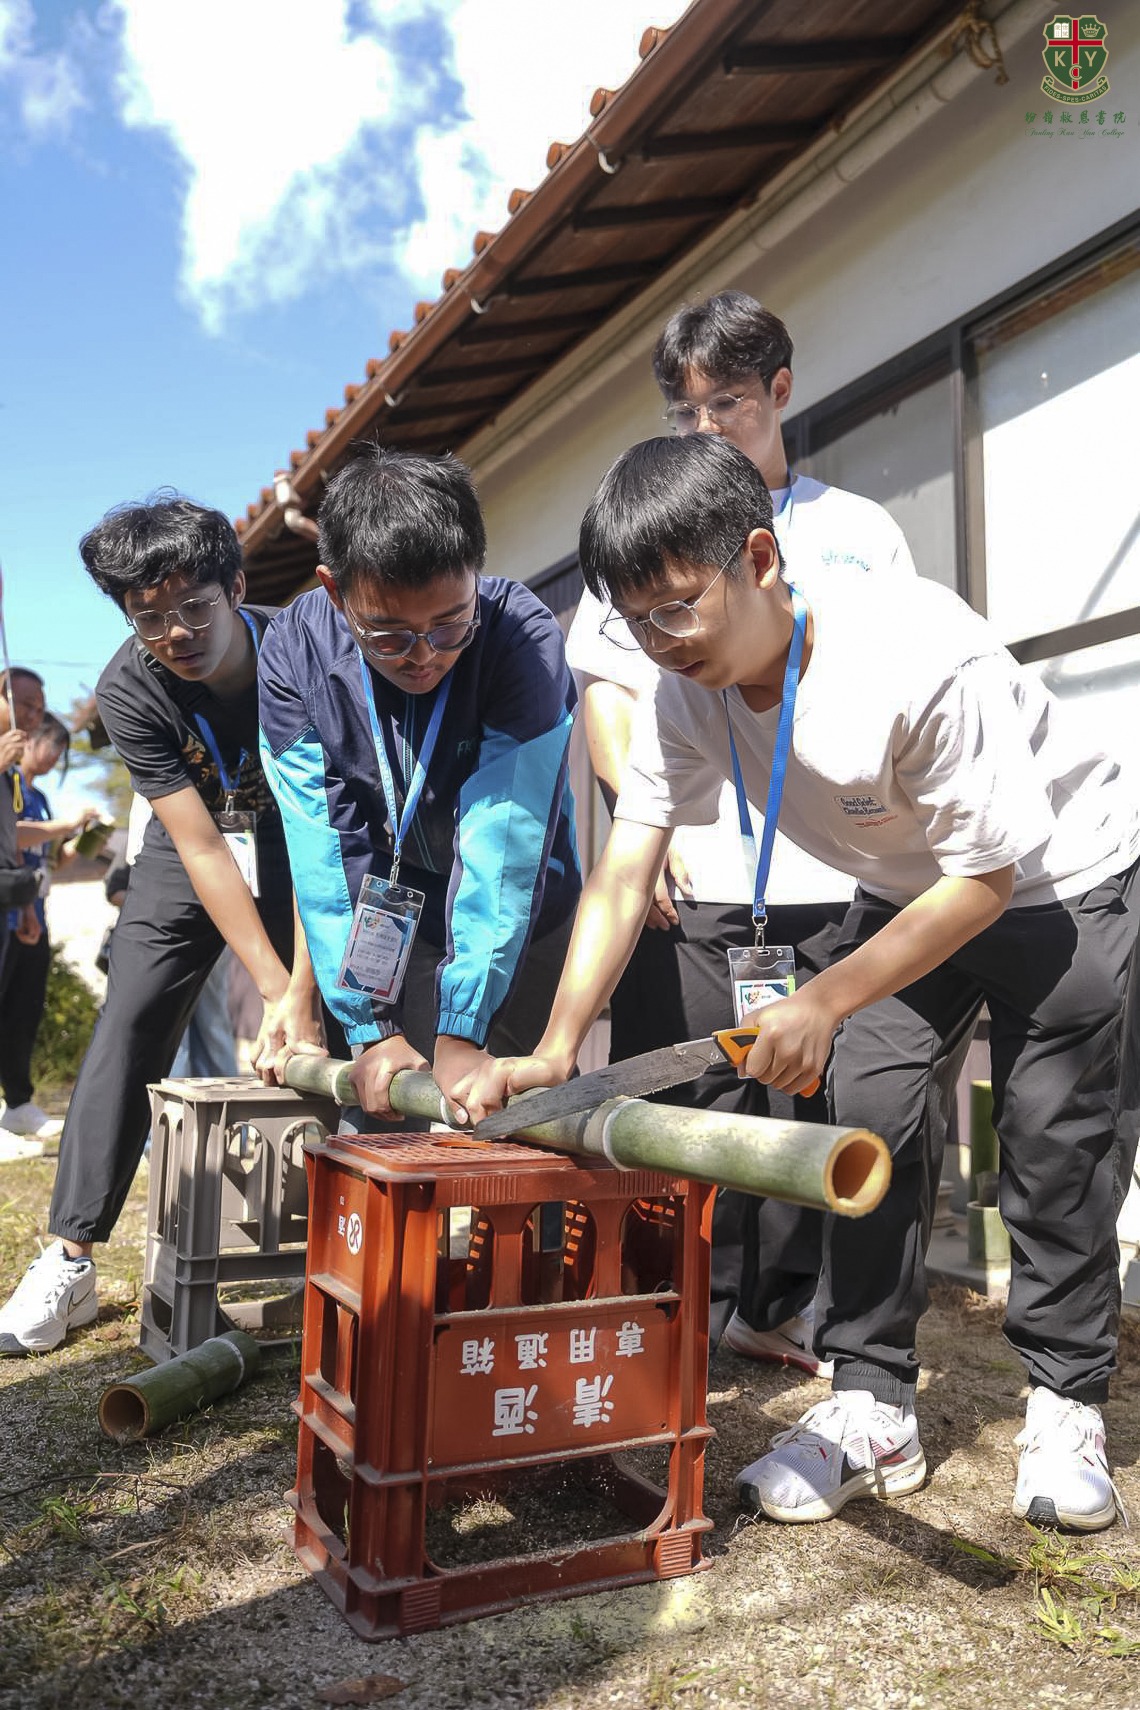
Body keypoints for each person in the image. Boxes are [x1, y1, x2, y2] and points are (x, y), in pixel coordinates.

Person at [471, 433, 1140, 1534]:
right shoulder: (681, 690)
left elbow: (985, 881)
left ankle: (1065, 1399)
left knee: (1052, 1136)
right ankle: (873, 1401)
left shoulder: (917, 656)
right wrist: (556, 1047)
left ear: (760, 558)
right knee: (867, 1113)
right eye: (636, 623)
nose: (661, 643)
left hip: (1057, 878)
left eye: (677, 608)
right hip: (908, 884)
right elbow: (626, 869)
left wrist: (824, 998)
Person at [564, 289, 916, 1364]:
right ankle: (670, 1306)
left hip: (839, 880)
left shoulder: (857, 531)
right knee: (688, 1094)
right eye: (686, 410)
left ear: (780, 391)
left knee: (805, 1099)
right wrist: (649, 821)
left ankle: (776, 1310)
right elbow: (608, 694)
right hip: (700, 876)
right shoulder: (644, 529)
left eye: (727, 403)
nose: (707, 426)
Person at [0, 495, 326, 1357]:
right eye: (148, 617)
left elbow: (323, 831)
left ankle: (354, 1232)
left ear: (237, 587)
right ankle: (69, 1257)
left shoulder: (301, 650)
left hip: (301, 835)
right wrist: (271, 986)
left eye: (195, 607)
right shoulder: (128, 687)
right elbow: (200, 846)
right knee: (132, 1015)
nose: (176, 633)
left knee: (340, 1004)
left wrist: (301, 988)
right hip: (196, 844)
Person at [257, 446, 581, 1121]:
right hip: (385, 907)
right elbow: (324, 846)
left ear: (476, 572)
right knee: (385, 1110)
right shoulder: (294, 651)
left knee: (520, 1120)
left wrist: (462, 1028)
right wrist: (371, 1029)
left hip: (521, 912)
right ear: (335, 591)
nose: (425, 656)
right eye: (389, 635)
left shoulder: (521, 637)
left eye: (450, 624)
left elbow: (504, 839)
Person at [0, 712, 101, 1146]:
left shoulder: (38, 796)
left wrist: (82, 840)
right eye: (53, 746)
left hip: (35, 914)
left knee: (24, 1013)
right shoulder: (9, 785)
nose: (55, 757)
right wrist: (64, 825)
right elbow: (14, 837)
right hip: (12, 909)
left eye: (62, 751)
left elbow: (49, 860)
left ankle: (18, 1104)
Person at [0, 669, 47, 1163]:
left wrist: (26, 905)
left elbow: (11, 839)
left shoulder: (13, 770)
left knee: (16, 1008)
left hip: (8, 900)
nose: (32, 715)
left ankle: (16, 1106)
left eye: (39, 707)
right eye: (25, 703)